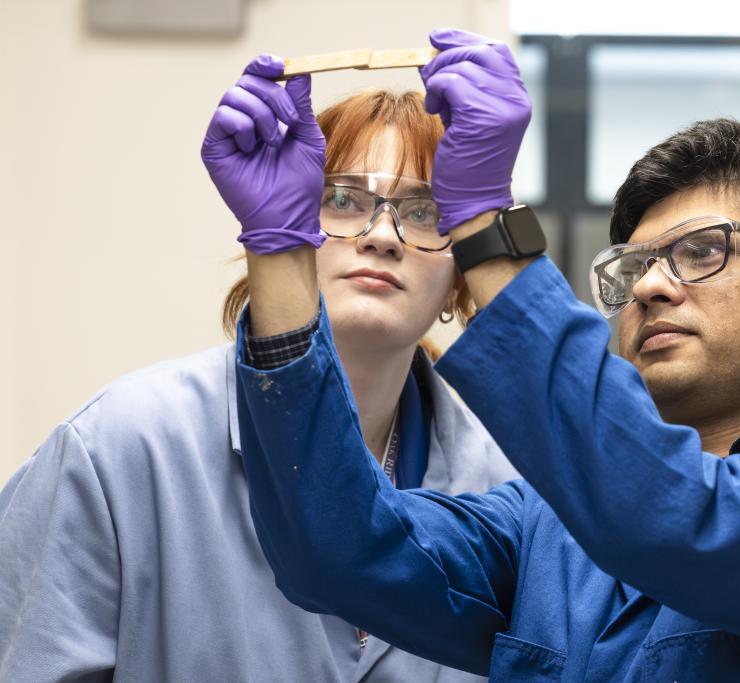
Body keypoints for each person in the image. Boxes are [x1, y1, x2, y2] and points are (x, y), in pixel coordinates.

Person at [232, 29, 740, 682]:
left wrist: (486, 229)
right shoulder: (542, 528)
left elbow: (668, 514)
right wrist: (278, 250)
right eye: (632, 266)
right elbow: (333, 548)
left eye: (702, 251)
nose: (649, 286)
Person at [0, 59, 516, 682]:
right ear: (286, 225)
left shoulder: (504, 483)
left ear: (462, 271)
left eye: (427, 213)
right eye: (344, 200)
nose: (383, 237)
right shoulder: (118, 447)